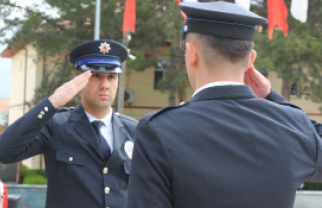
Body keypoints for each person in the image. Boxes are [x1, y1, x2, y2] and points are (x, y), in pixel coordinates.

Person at [127, 1, 322, 208]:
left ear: (192, 53)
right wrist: (271, 98)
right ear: (250, 60)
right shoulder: (291, 124)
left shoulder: (159, 130)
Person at [0, 40, 137, 208]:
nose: (105, 85)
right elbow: (3, 152)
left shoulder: (133, 130)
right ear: (78, 81)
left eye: (111, 77)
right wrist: (52, 102)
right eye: (96, 75)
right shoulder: (56, 125)